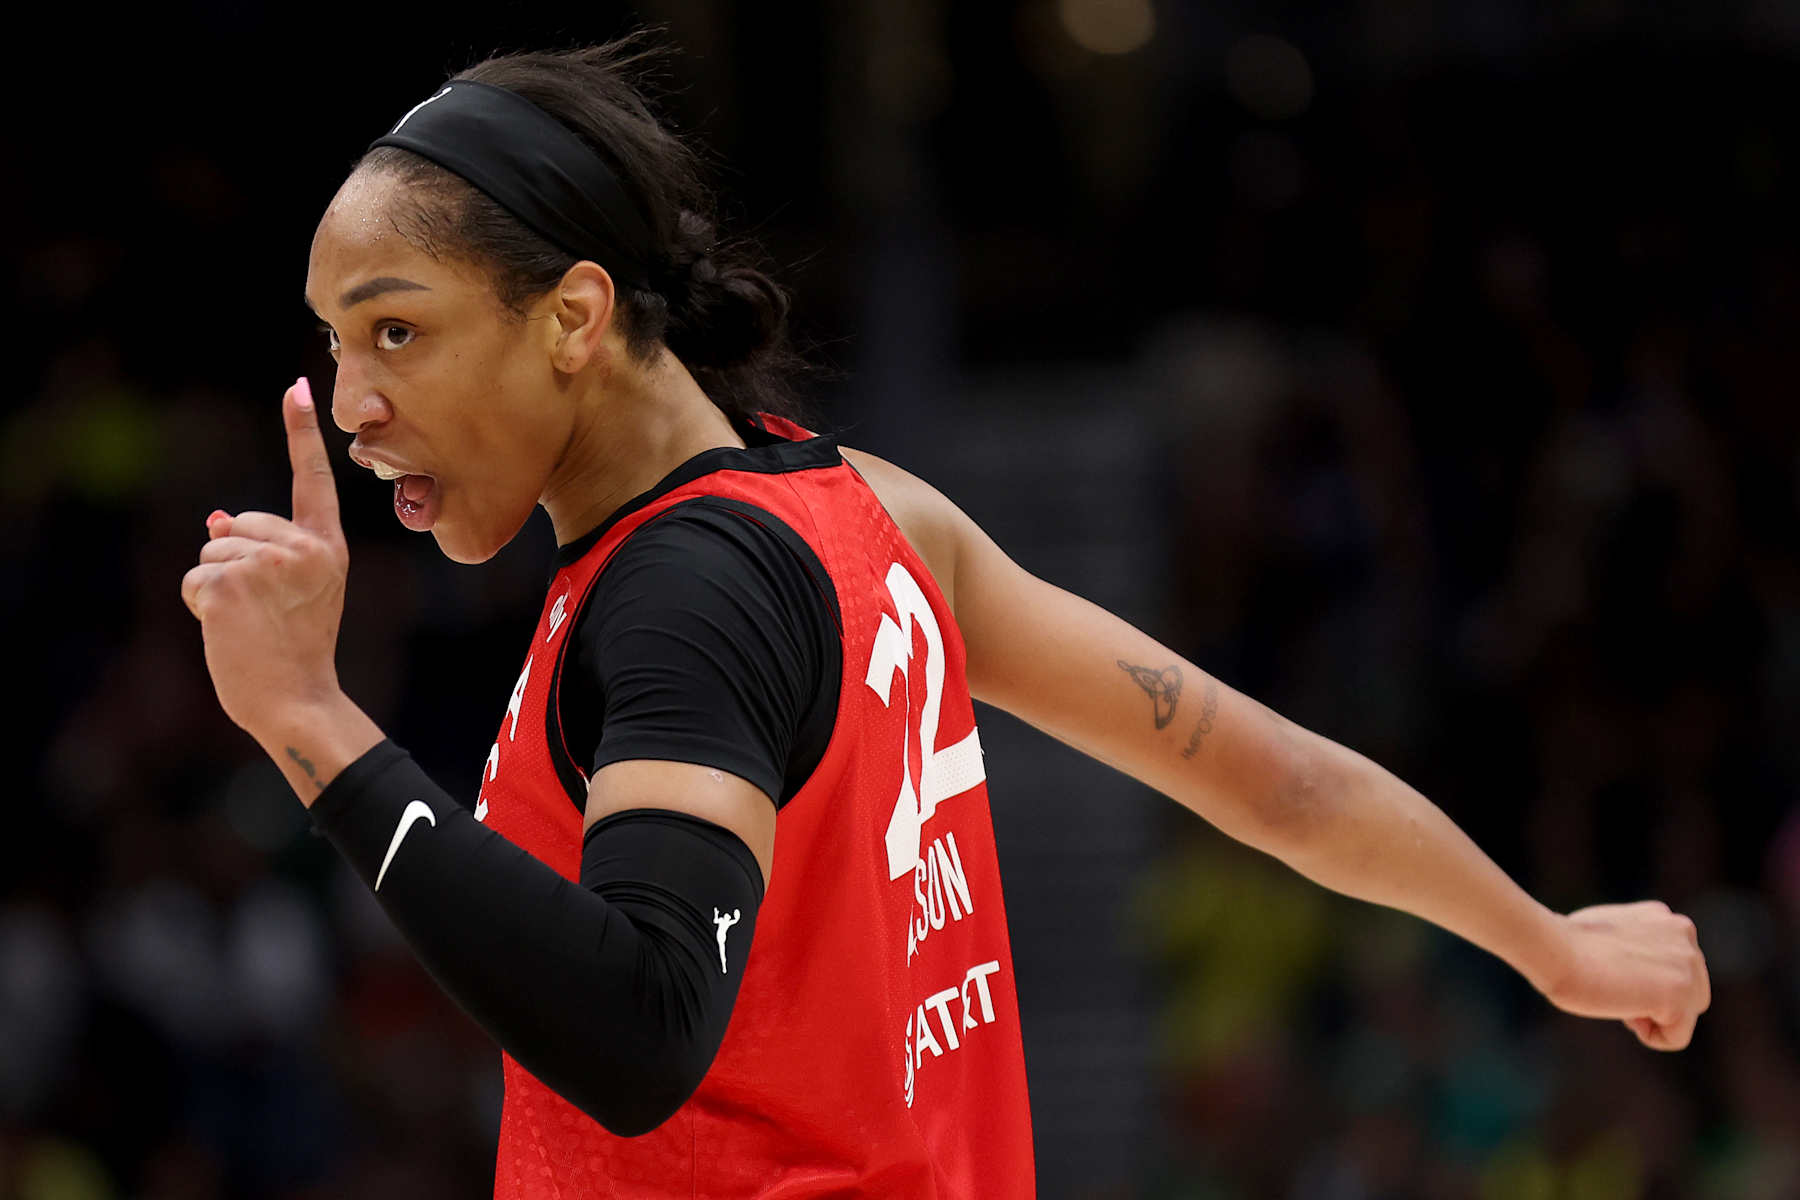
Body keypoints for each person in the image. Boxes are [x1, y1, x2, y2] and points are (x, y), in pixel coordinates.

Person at [179, 36, 1711, 1200]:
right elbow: (1267, 778)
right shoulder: (866, 513)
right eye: (333, 340)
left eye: (398, 329)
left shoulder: (687, 599)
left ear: (575, 317)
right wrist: (1548, 944)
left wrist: (313, 730)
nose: (355, 403)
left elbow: (643, 1028)